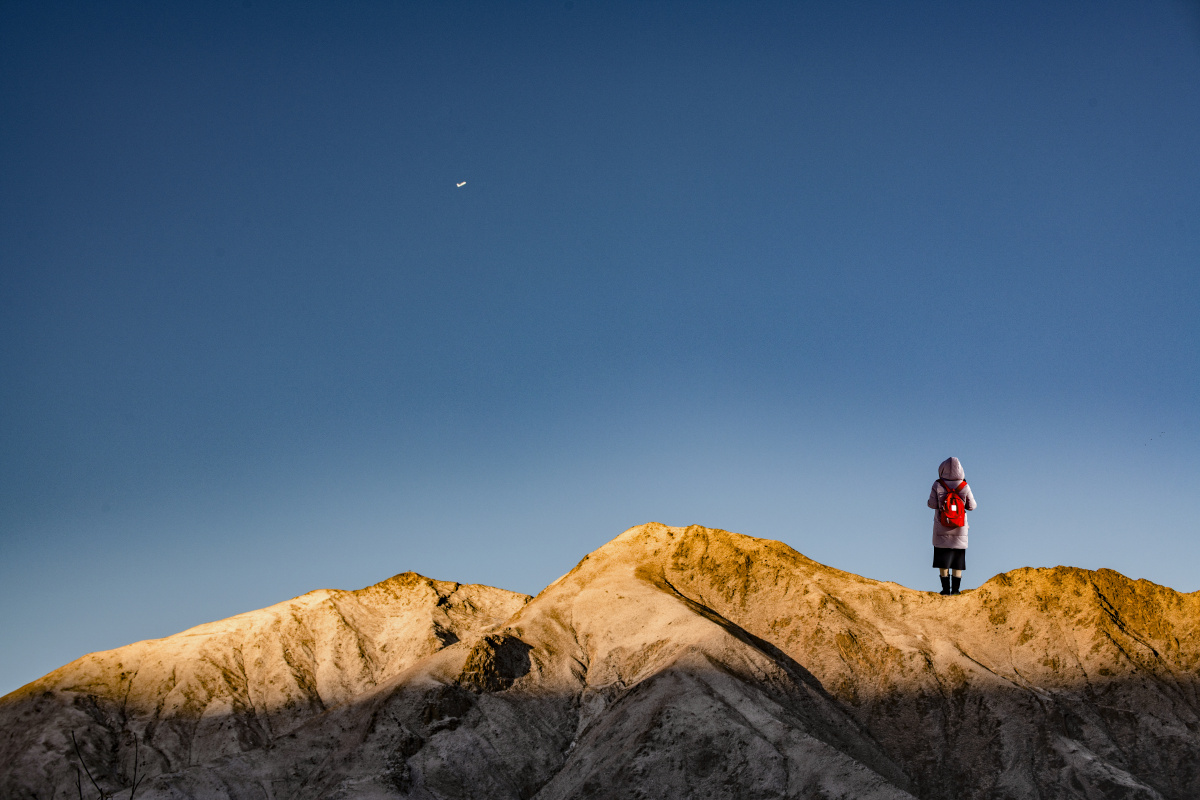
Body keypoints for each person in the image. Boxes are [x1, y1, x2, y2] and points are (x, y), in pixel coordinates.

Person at [928, 456, 976, 595]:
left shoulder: (938, 485)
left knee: (942, 560)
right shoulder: (964, 486)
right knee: (958, 560)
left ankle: (945, 590)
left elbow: (931, 504)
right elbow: (972, 506)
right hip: (959, 530)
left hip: (942, 528)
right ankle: (955, 591)